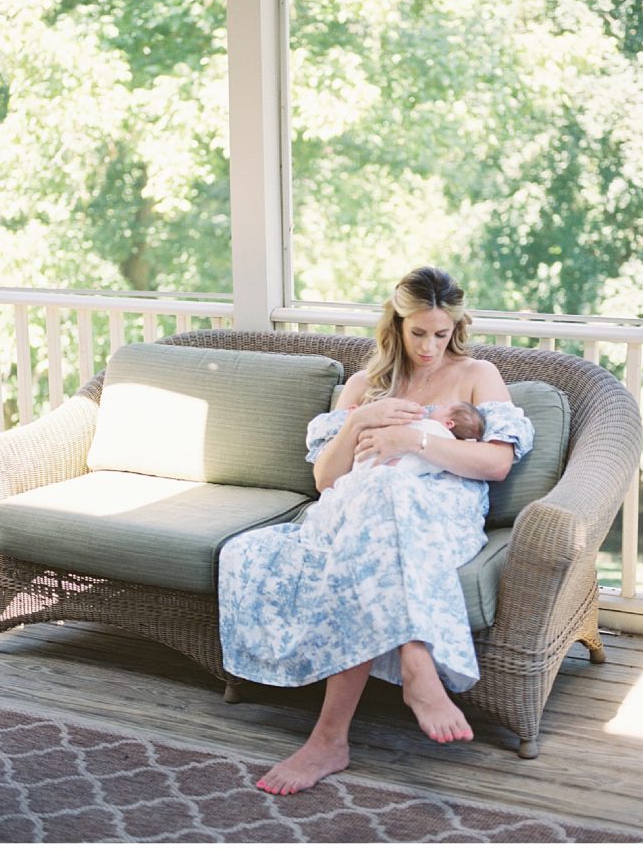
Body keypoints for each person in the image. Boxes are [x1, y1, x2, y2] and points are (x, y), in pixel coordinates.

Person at [218, 266, 534, 796]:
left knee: (386, 501)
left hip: (439, 515)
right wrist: (363, 421)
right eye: (419, 333)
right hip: (355, 506)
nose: (432, 346)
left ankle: (328, 739)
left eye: (442, 332)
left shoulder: (479, 374)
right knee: (374, 502)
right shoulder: (366, 385)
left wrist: (415, 440)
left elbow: (495, 465)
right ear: (396, 323)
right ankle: (416, 661)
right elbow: (325, 478)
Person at [352, 400, 485, 475]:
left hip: (380, 460)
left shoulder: (430, 426)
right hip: (401, 471)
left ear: (449, 423)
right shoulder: (450, 450)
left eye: (444, 407)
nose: (438, 407)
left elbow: (394, 426)